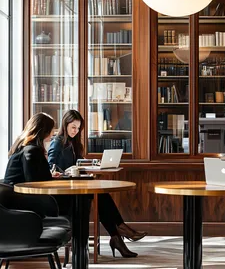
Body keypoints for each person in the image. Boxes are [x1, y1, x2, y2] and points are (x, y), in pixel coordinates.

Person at [4, 112, 140, 258]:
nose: (52, 133)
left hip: (20, 200)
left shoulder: (25, 148)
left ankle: (113, 236)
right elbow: (37, 184)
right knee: (87, 198)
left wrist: (51, 176)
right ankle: (112, 235)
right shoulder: (32, 151)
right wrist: (54, 176)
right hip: (27, 202)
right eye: (51, 130)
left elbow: (36, 179)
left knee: (95, 195)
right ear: (43, 131)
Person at [48, 110, 146, 257]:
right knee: (101, 196)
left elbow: (79, 162)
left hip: (75, 187)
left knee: (101, 196)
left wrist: (92, 164)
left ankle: (118, 235)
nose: (75, 131)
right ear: (65, 125)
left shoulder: (73, 144)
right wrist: (66, 172)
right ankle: (120, 231)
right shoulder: (57, 143)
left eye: (78, 128)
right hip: (64, 192)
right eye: (73, 127)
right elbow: (52, 167)